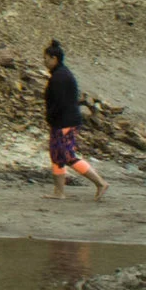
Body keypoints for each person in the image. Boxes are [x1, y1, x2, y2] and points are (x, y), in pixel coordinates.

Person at [41, 42, 108, 199]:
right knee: (57, 156)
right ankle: (59, 192)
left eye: (46, 59)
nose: (44, 62)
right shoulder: (60, 74)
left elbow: (60, 102)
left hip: (65, 122)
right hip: (62, 121)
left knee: (66, 156)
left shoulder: (60, 77)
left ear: (54, 58)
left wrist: (50, 117)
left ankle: (100, 182)